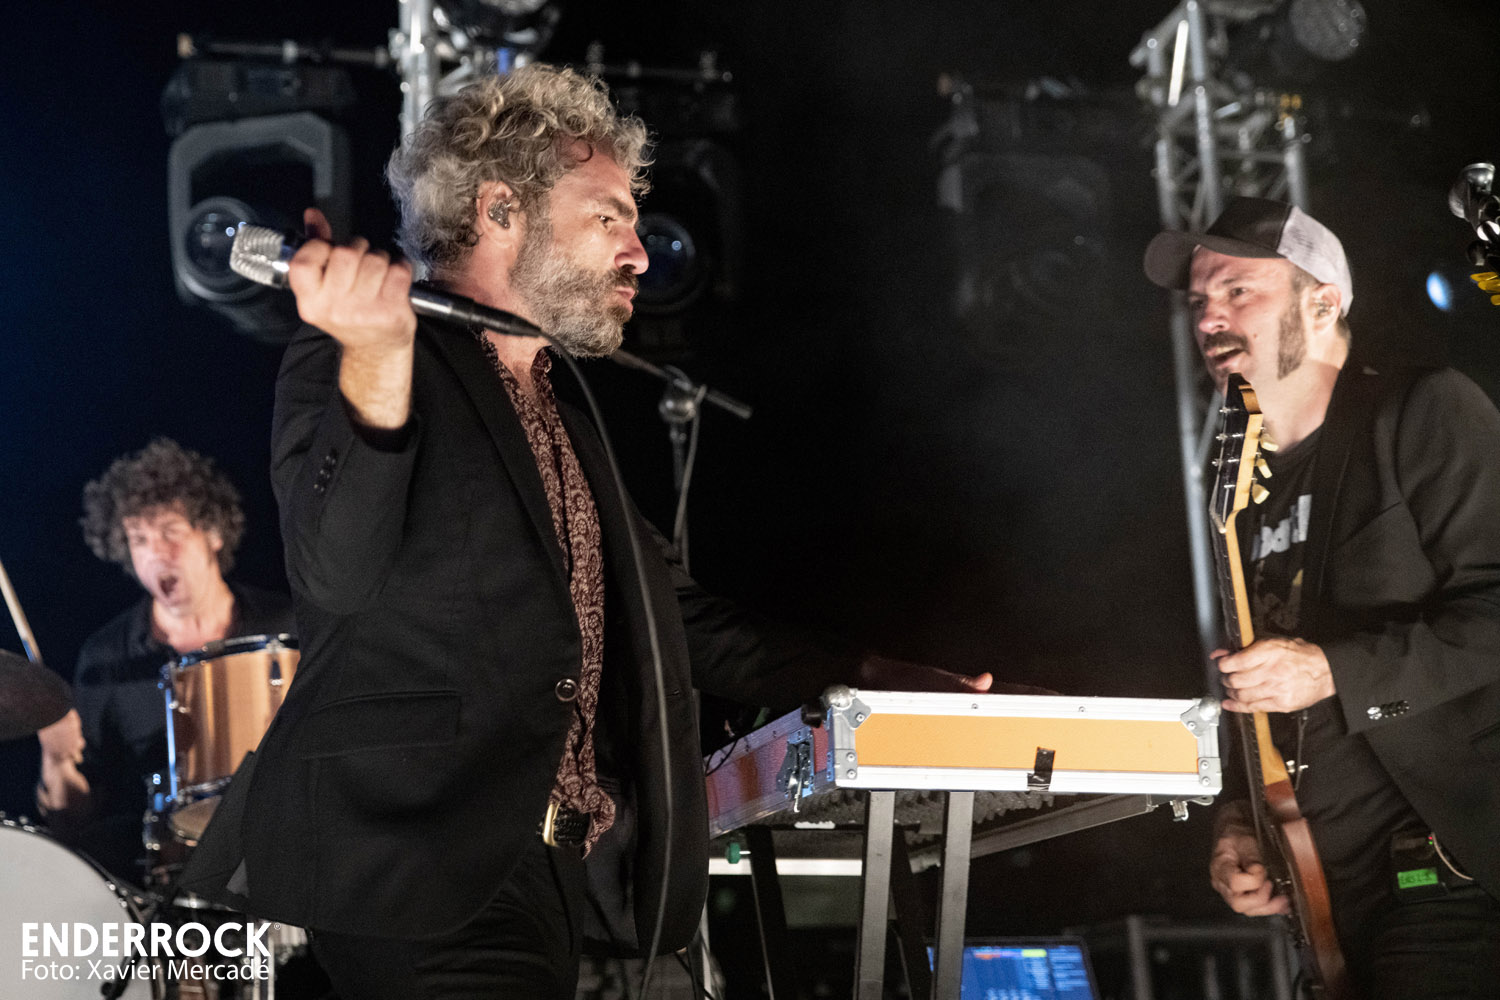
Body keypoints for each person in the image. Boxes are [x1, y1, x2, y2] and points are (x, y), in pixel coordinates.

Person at [182, 63, 998, 999]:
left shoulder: (565, 417)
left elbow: (681, 619)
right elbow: (334, 570)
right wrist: (374, 356)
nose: (640, 254)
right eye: (609, 217)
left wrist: (869, 677)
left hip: (557, 877)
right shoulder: (368, 353)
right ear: (499, 209)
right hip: (414, 860)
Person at [1145, 197, 1500, 997]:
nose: (1210, 317)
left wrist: (1335, 669)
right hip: (1333, 901)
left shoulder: (1423, 410)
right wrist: (1242, 815)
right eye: (1200, 299)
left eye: (1238, 290)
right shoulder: (1242, 490)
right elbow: (1261, 687)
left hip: (1451, 878)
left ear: (1323, 302)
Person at [35, 437, 294, 880]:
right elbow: (74, 824)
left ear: (213, 533)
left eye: (171, 531)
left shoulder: (286, 625)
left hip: (292, 852)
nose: (155, 552)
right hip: (172, 882)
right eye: (139, 539)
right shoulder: (104, 657)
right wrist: (56, 760)